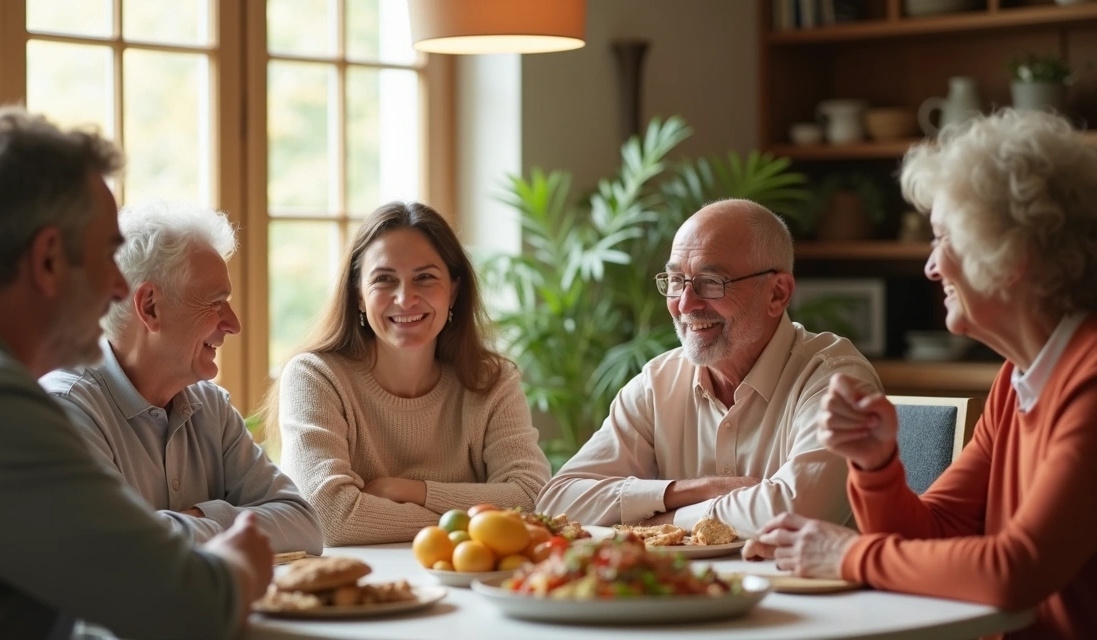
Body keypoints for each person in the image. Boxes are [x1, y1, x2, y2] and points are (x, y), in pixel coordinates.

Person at [0, 107, 271, 639]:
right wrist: (241, 558)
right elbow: (189, 607)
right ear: (47, 261)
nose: (118, 288)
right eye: (109, 255)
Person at [752, 109, 1097, 638]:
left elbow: (1016, 570)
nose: (930, 267)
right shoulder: (1016, 380)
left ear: (1012, 255)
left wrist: (846, 554)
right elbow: (931, 535)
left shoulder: (1088, 379)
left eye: (943, 239)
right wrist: (876, 464)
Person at [535, 199, 881, 538]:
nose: (685, 304)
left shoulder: (836, 380)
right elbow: (558, 502)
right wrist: (694, 490)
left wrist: (659, 521)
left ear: (777, 293)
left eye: (711, 282)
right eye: (675, 281)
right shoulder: (659, 382)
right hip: (682, 591)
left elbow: (792, 515)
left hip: (806, 593)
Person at [40, 201, 323, 555]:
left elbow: (304, 526)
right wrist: (232, 523)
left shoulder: (210, 406)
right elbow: (114, 546)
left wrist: (188, 519)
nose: (233, 323)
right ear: (150, 307)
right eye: (215, 302)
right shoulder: (67, 410)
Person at [268, 201, 551, 546]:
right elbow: (328, 517)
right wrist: (476, 521)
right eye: (385, 280)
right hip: (361, 588)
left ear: (454, 291)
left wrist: (406, 491)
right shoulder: (315, 376)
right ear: (358, 295)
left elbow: (532, 496)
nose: (405, 298)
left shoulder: (492, 380)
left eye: (425, 278)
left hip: (468, 584)